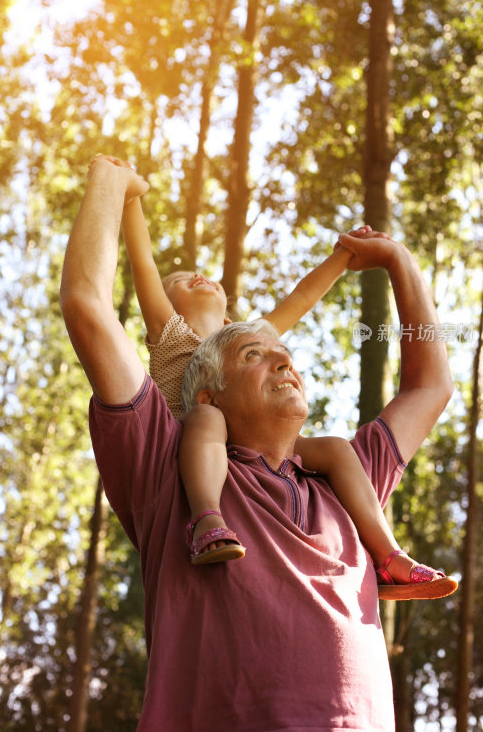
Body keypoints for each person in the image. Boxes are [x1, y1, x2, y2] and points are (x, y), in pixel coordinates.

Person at [60, 155, 454, 731]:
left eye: (285, 356)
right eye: (254, 356)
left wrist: (397, 260)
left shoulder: (345, 480)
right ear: (212, 394)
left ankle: (391, 553)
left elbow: (431, 385)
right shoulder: (167, 466)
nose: (282, 358)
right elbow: (88, 308)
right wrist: (112, 182)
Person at [115, 154, 454, 599]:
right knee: (207, 421)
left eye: (205, 276)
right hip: (206, 437)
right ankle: (206, 518)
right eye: (180, 280)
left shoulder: (247, 341)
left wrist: (345, 254)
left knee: (333, 449)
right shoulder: (171, 336)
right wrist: (129, 198)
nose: (197, 276)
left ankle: (387, 554)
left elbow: (302, 296)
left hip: (262, 440)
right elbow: (144, 267)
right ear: (166, 303)